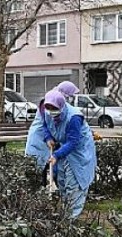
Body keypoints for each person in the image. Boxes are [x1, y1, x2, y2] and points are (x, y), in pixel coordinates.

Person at [39, 89, 97, 219]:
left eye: (52, 108)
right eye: (47, 108)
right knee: (62, 181)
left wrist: (56, 155)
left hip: (78, 152)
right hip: (63, 150)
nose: (49, 111)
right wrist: (48, 137)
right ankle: (66, 214)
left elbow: (73, 142)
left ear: (60, 105)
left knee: (74, 185)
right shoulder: (48, 113)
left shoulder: (74, 117)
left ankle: (72, 220)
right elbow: (45, 125)